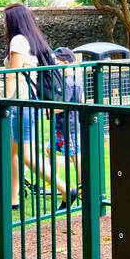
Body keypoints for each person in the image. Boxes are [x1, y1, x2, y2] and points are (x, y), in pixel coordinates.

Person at [3, 3, 71, 208]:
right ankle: (13, 199)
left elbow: (12, 77)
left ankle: (66, 189)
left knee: (26, 156)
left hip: (20, 104)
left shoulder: (17, 41)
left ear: (13, 21)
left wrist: (2, 103)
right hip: (29, 104)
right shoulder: (33, 40)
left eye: (5, 20)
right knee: (12, 152)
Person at [46, 48, 84, 192]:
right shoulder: (76, 79)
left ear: (66, 63)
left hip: (69, 126)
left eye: (57, 62)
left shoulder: (68, 82)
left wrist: (48, 109)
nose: (55, 65)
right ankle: (54, 180)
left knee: (74, 154)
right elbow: (81, 100)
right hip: (62, 126)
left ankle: (82, 184)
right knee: (49, 149)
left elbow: (64, 105)